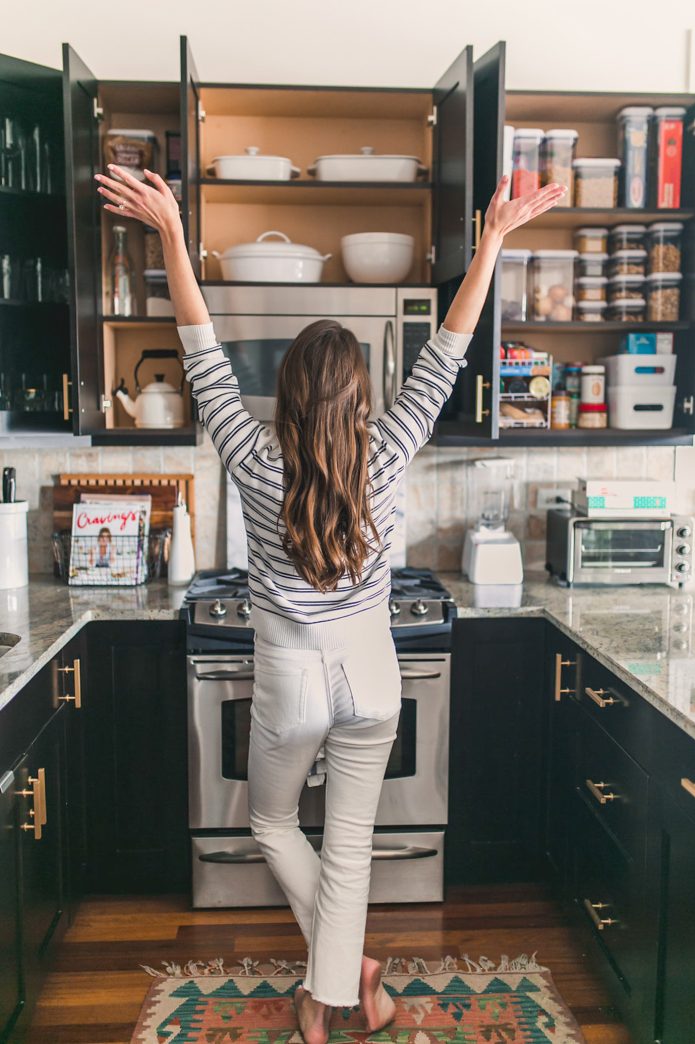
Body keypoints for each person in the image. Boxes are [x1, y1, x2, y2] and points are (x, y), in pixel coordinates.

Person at [94, 161, 565, 1043]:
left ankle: (334, 986)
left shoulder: (250, 455)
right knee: (349, 846)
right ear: (360, 396)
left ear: (288, 393)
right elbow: (448, 351)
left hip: (292, 681)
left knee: (273, 821)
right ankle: (342, 990)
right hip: (373, 677)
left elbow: (201, 351)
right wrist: (493, 240)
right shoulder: (389, 449)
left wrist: (171, 235)